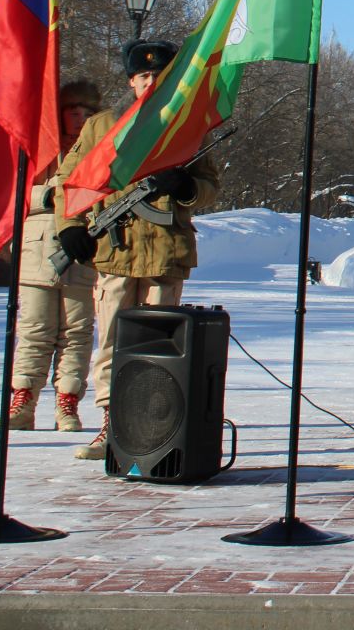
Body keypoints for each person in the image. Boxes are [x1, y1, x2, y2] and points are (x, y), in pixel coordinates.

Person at [54, 40, 220, 460]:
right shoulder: (103, 126)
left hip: (166, 253)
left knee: (162, 348)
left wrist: (185, 188)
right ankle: (112, 424)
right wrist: (71, 228)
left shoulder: (184, 125)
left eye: (158, 76)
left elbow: (209, 188)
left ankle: (151, 428)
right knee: (111, 340)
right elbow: (70, 182)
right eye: (143, 76)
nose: (150, 82)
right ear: (130, 81)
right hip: (117, 251)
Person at [7, 79, 103, 432]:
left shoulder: (100, 152)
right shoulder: (39, 152)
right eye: (73, 113)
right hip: (38, 250)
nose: (79, 120)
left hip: (82, 251)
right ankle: (23, 400)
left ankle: (67, 402)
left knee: (76, 332)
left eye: (87, 114)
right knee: (34, 330)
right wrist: (47, 196)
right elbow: (13, 195)